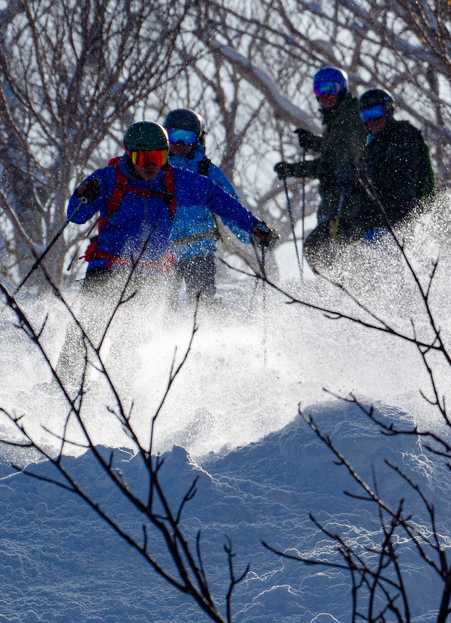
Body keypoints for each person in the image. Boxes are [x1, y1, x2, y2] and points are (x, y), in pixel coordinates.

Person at [57, 120, 276, 388]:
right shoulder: (108, 178)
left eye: (159, 157)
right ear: (129, 154)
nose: (151, 166)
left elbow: (218, 198)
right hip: (108, 266)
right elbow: (76, 217)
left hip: (148, 274)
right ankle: (65, 387)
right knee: (85, 329)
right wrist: (82, 195)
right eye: (144, 158)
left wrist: (253, 226)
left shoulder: (174, 180)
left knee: (129, 339)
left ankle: (119, 394)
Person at [273, 66, 369, 276]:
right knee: (335, 255)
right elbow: (336, 150)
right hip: (339, 205)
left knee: (318, 250)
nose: (324, 96)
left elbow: (330, 165)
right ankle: (345, 293)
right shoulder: (340, 119)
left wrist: (293, 169)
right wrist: (315, 143)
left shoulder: (348, 120)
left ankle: (342, 294)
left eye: (330, 89)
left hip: (349, 206)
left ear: (342, 89)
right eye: (319, 90)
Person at [162, 108, 257, 300]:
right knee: (162, 306)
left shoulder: (206, 171)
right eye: (175, 136)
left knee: (202, 299)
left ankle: (208, 327)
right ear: (165, 137)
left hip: (199, 249)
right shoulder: (154, 170)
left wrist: (252, 234)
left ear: (197, 139)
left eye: (186, 138)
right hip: (164, 252)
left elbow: (230, 207)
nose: (180, 143)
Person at [357, 88, 434, 245]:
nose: (371, 122)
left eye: (375, 114)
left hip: (403, 214)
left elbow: (402, 176)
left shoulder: (404, 135)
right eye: (366, 116)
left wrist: (368, 177)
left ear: (388, 111)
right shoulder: (372, 144)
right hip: (378, 219)